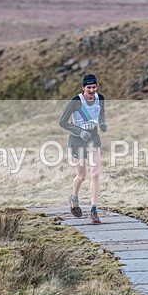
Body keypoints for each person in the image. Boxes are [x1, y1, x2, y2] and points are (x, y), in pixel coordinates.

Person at [59, 73, 106, 224]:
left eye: (94, 87)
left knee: (96, 173)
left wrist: (102, 124)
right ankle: (74, 197)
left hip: (93, 139)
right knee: (82, 176)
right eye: (89, 88)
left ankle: (93, 211)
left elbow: (101, 114)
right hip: (77, 141)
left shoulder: (100, 99)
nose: (92, 90)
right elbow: (62, 122)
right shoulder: (75, 102)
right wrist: (80, 131)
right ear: (83, 88)